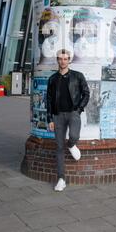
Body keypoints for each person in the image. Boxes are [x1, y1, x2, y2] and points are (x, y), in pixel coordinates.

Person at [46, 49, 90, 191]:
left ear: (69, 60)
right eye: (60, 58)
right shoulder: (52, 79)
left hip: (73, 113)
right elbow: (48, 100)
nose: (63, 61)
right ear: (57, 60)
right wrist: (49, 119)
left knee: (74, 136)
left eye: (65, 59)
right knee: (59, 147)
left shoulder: (77, 76)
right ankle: (61, 178)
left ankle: (71, 145)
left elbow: (86, 93)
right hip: (58, 116)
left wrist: (79, 109)